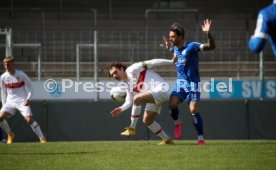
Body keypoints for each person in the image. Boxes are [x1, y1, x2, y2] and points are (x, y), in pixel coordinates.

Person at [163, 19, 215, 144]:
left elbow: (211, 46)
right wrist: (169, 48)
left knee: (193, 110)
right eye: (169, 37)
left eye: (173, 37)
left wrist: (208, 34)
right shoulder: (175, 48)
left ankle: (201, 138)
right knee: (171, 105)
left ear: (180, 37)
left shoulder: (192, 46)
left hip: (193, 83)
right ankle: (177, 123)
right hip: (181, 82)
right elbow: (174, 52)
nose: (170, 39)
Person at [107, 58, 176, 145]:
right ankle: (167, 140)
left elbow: (152, 62)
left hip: (161, 89)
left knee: (137, 98)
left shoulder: (133, 68)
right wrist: (121, 108)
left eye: (115, 72)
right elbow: (129, 101)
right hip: (152, 94)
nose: (114, 76)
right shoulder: (127, 84)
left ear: (121, 68)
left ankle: (132, 128)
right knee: (147, 120)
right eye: (112, 75)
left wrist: (171, 61)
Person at [0, 56, 47, 144]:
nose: (6, 66)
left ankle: (42, 138)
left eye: (8, 64)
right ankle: (10, 134)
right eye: (5, 64)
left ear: (13, 64)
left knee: (29, 120)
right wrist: (4, 105)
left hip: (22, 100)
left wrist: (28, 99)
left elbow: (31, 87)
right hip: (10, 102)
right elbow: (3, 92)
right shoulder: (3, 77)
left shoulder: (21, 74)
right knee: (0, 117)